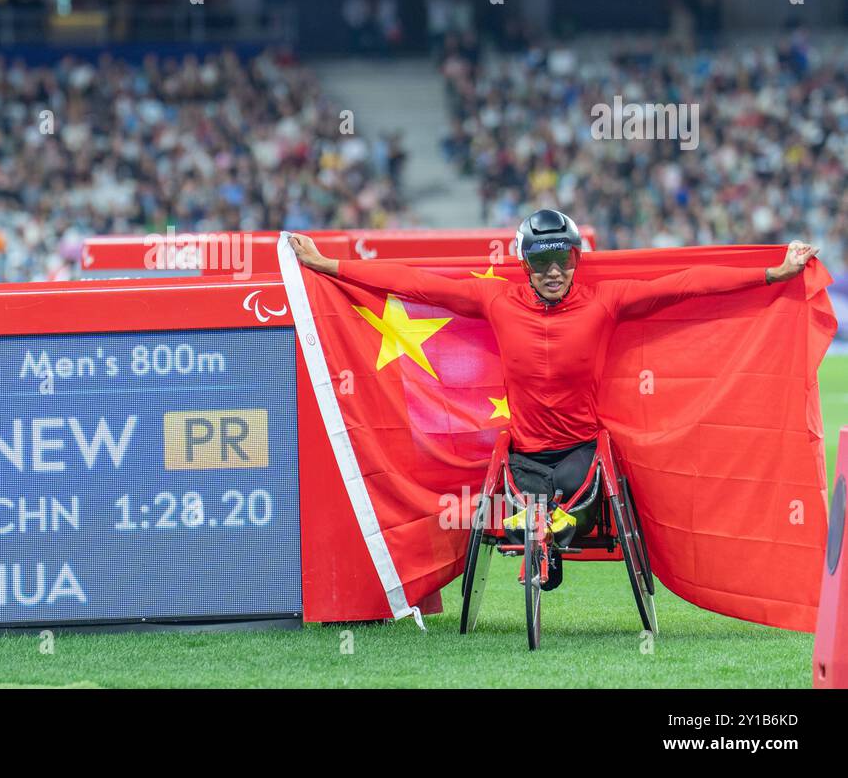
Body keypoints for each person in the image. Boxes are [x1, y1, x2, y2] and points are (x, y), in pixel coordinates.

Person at [289, 209, 819, 588]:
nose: (553, 273)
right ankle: (539, 534)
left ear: (575, 258)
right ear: (524, 264)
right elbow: (414, 284)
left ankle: (555, 533)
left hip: (582, 451)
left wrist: (772, 274)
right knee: (525, 507)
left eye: (562, 260)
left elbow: (683, 285)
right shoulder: (494, 298)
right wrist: (329, 266)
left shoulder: (607, 300)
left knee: (569, 507)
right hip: (523, 451)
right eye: (541, 263)